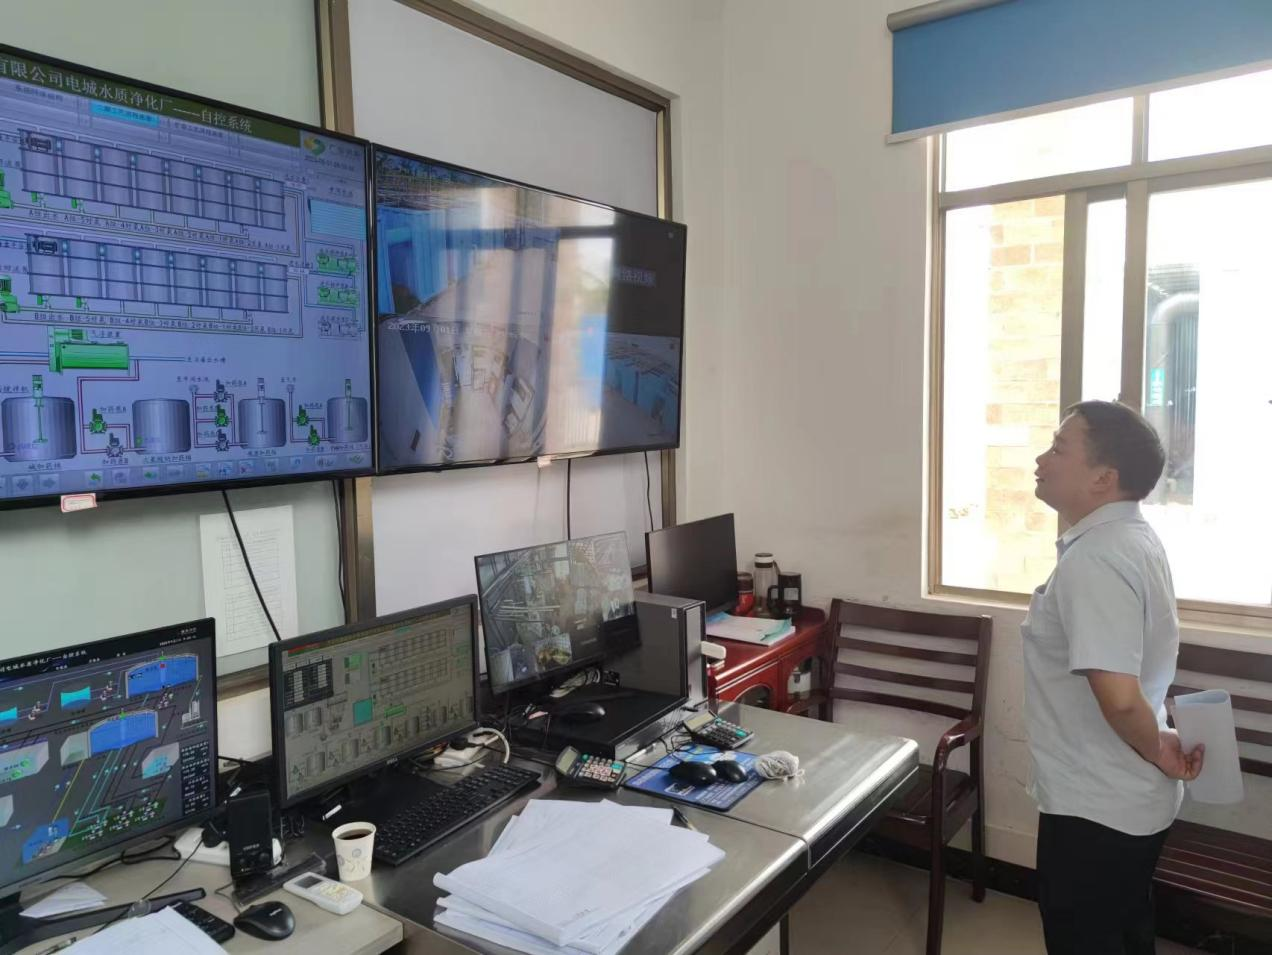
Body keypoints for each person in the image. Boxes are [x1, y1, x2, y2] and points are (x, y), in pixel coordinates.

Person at [1023, 400, 1204, 955]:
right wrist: (1156, 747)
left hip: (1096, 806)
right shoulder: (1131, 539)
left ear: (1104, 477)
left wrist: (1159, 751)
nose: (1041, 459)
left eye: (1058, 448)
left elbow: (1121, 699)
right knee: (1124, 933)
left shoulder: (1097, 558)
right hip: (1121, 798)